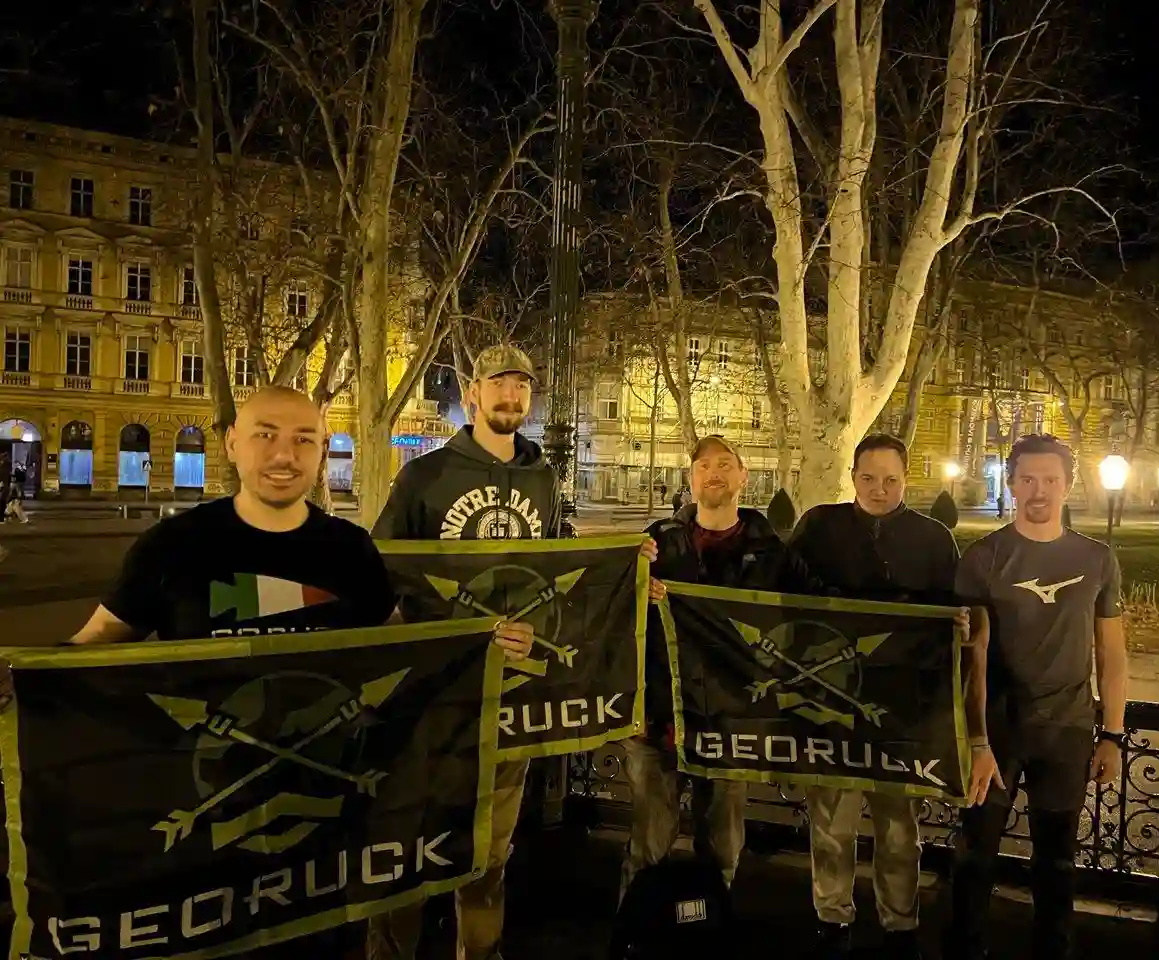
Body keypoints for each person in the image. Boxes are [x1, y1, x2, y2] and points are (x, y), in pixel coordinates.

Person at [62, 385, 399, 959]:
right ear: (232, 442)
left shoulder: (352, 551)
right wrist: (21, 673)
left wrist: (489, 648)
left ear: (321, 452)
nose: (284, 455)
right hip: (203, 835)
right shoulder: (172, 547)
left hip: (322, 834)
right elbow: (91, 648)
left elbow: (407, 655)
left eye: (304, 440)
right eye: (266, 435)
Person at [369, 343, 656, 960]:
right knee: (411, 841)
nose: (511, 394)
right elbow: (386, 573)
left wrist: (625, 561)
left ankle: (482, 950)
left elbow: (560, 565)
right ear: (472, 392)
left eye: (522, 385)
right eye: (498, 381)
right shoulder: (426, 476)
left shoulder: (542, 477)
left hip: (513, 695)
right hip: (436, 697)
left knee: (491, 848)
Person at [789, 435, 993, 960]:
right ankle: (831, 918)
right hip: (830, 704)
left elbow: (955, 622)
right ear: (852, 476)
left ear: (907, 480)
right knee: (831, 824)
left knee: (899, 828)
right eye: (868, 478)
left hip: (904, 711)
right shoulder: (817, 527)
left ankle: (899, 923)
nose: (880, 488)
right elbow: (783, 599)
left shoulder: (933, 540)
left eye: (891, 479)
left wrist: (962, 627)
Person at [948, 434, 1128, 960]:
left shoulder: (1097, 559)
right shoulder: (983, 558)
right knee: (975, 855)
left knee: (1057, 864)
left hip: (1067, 730)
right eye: (1027, 479)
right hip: (998, 732)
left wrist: (1113, 733)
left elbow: (1111, 653)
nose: (1039, 490)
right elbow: (970, 660)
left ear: (1069, 485)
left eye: (1051, 479)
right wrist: (977, 742)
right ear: (1011, 483)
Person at [620, 434, 818, 904]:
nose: (714, 473)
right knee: (648, 844)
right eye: (704, 465)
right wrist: (634, 582)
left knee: (723, 846)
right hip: (658, 717)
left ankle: (712, 931)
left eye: (725, 464)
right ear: (690, 480)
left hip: (731, 721)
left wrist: (929, 619)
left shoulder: (773, 553)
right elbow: (612, 610)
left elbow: (821, 612)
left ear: (743, 476)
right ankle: (634, 935)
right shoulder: (658, 543)